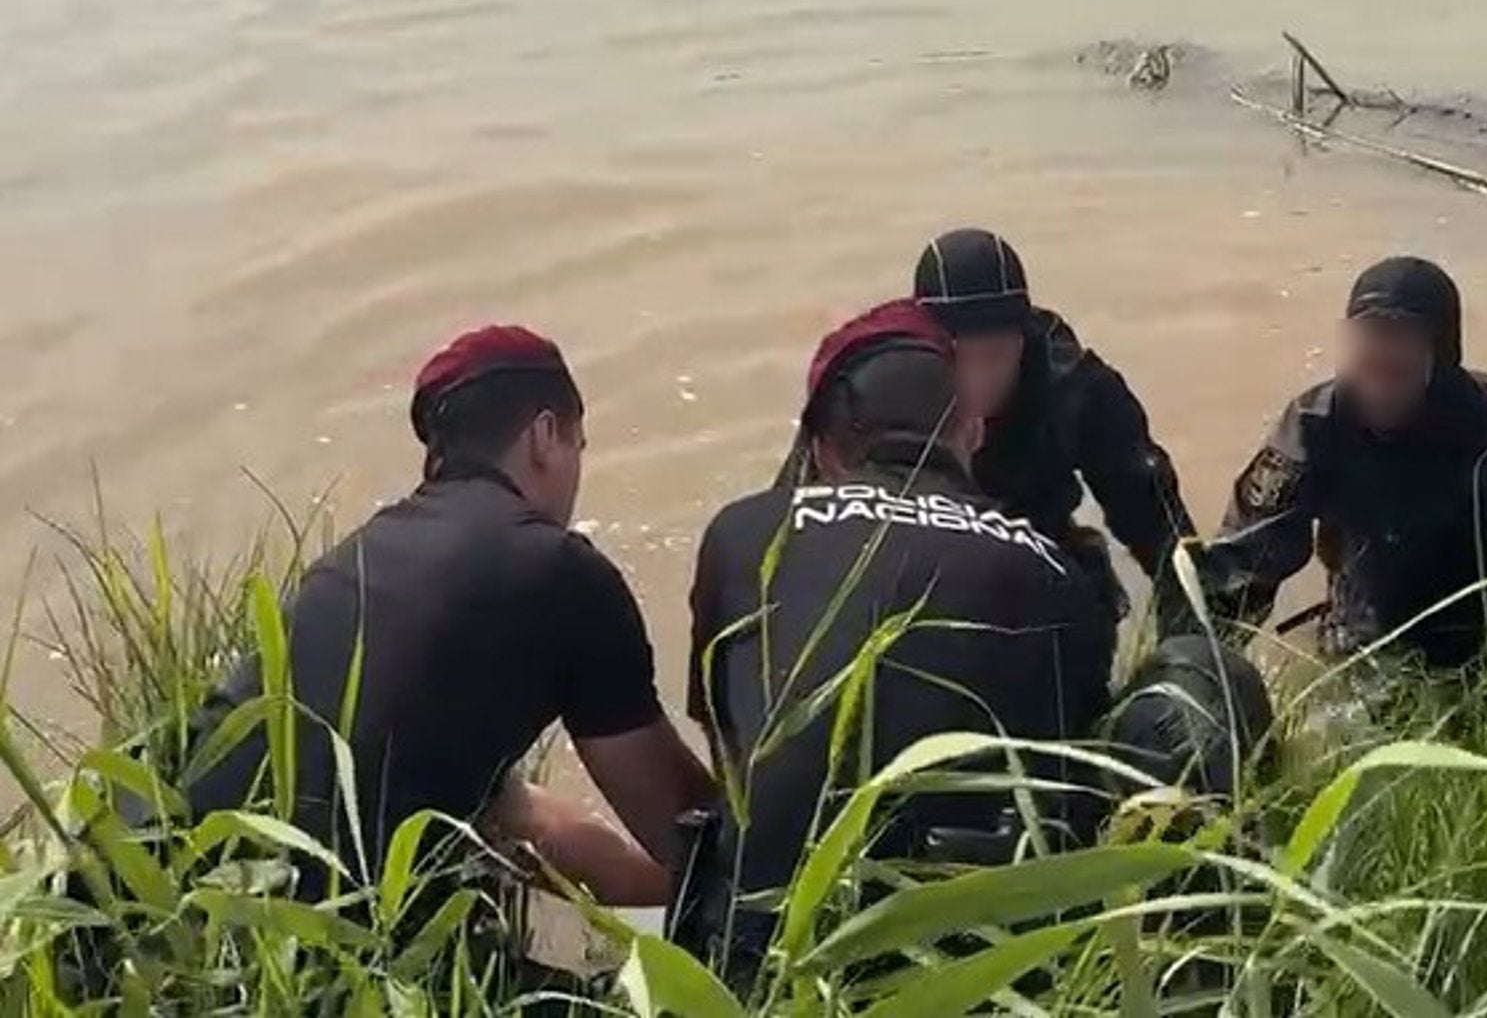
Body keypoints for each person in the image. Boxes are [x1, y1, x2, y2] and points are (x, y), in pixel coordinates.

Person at [186, 326, 714, 911]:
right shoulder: (560, 571)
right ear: (544, 436)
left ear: (438, 455)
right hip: (329, 943)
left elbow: (519, 818)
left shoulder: (352, 562)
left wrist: (659, 891)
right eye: (577, 447)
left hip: (186, 898)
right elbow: (688, 831)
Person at [678, 299, 1116, 980]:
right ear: (972, 429)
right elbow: (1070, 770)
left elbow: (730, 739)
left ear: (822, 449)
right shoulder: (1055, 569)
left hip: (759, 958)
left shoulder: (742, 533)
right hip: (975, 969)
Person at [1196, 256, 1487, 683]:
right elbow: (1239, 573)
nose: (1377, 391)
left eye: (1396, 372)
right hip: (1364, 638)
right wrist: (1192, 668)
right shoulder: (1316, 426)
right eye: (1366, 367)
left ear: (1441, 364)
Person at [783, 228, 1196, 630]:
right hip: (913, 547)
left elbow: (1164, 538)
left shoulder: (1076, 389)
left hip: (1034, 549)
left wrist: (1193, 637)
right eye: (962, 357)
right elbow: (793, 516)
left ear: (1023, 337)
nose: (979, 380)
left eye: (996, 355)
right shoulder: (878, 379)